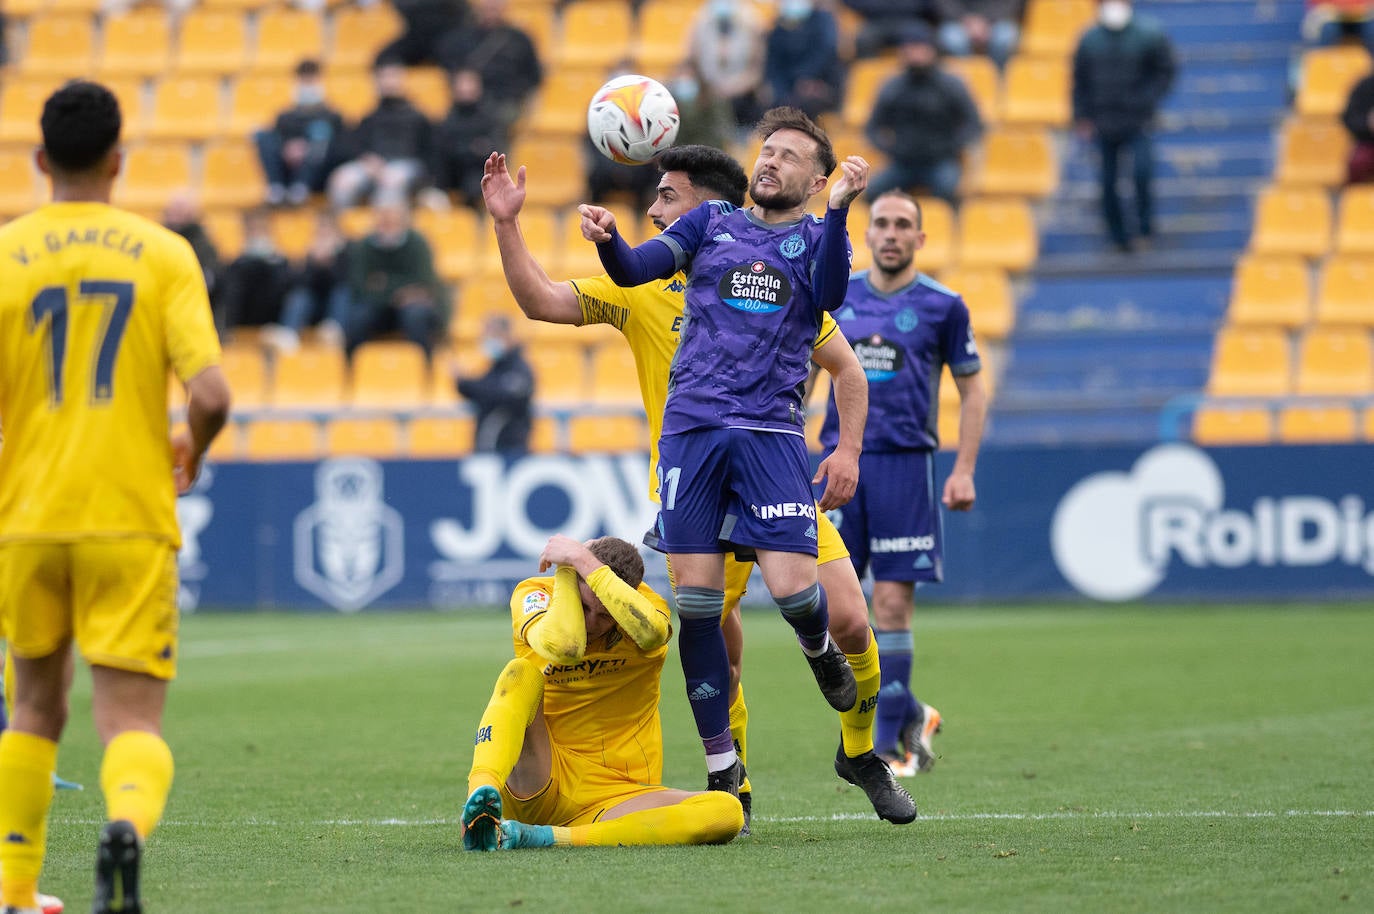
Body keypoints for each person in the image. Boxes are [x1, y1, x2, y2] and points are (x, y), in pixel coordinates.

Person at [483, 141, 916, 826]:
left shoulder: (770, 271)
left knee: (849, 618)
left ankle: (859, 753)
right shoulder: (642, 291)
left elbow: (848, 369)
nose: (655, 209)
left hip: (773, 469)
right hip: (699, 483)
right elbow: (539, 299)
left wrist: (847, 452)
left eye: (667, 196)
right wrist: (507, 222)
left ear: (709, 208)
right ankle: (733, 780)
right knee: (718, 641)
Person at [0, 80, 231, 914]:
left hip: (27, 518)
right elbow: (210, 394)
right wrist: (190, 452)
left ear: (38, 160)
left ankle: (17, 891)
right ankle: (125, 826)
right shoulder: (162, 253)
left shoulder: (4, 254)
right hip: (129, 515)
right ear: (118, 160)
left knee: (32, 704)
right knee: (129, 716)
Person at [819, 190, 986, 776]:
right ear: (867, 236)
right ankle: (911, 710)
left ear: (920, 238)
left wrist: (963, 468)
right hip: (840, 463)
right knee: (836, 616)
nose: (891, 233)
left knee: (890, 605)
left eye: (903, 225)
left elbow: (971, 390)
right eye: (882, 223)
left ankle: (890, 746)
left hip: (905, 468)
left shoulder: (944, 306)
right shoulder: (836, 296)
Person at [461, 534, 745, 850]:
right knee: (520, 673)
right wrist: (568, 569)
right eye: (583, 606)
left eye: (605, 615)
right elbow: (564, 645)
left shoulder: (646, 610)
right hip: (541, 776)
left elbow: (651, 634)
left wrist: (580, 560)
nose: (592, 623)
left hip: (617, 797)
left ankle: (545, 838)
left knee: (725, 811)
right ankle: (480, 799)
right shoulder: (536, 594)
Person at [1072, 0, 1177, 252]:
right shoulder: (1089, 39)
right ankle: (1117, 236)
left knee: (1142, 173)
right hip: (1103, 121)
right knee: (1107, 182)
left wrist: (1147, 100)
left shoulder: (1148, 34)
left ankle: (1144, 228)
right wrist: (1082, 116)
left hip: (1137, 119)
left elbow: (1165, 70)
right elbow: (1079, 82)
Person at [865, 22, 983, 204]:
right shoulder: (893, 86)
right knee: (873, 191)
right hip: (902, 162)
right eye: (909, 49)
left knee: (947, 189)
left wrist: (952, 146)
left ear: (932, 50)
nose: (914, 54)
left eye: (919, 48)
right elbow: (872, 127)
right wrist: (890, 148)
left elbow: (974, 124)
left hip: (940, 161)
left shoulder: (950, 85)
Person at [343, 199, 447, 360]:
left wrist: (384, 284)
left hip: (409, 307)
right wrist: (401, 291)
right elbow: (360, 285)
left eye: (392, 219)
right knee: (358, 318)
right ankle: (352, 369)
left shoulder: (418, 243)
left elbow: (425, 282)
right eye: (383, 218)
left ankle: (425, 366)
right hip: (377, 306)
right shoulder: (364, 246)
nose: (387, 223)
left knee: (416, 316)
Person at [327, 59, 433, 209]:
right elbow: (355, 145)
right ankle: (342, 228)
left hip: (406, 166)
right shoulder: (370, 117)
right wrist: (367, 158)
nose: (388, 82)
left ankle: (387, 230)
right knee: (343, 179)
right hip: (373, 165)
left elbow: (429, 152)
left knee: (391, 179)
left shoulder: (417, 117)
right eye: (384, 77)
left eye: (392, 76)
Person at [435, 0, 543, 127]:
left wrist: (512, 91)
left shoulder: (519, 39)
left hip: (504, 102)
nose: (492, 4)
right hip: (465, 102)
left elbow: (533, 75)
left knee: (497, 122)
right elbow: (446, 62)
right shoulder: (460, 37)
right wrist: (460, 79)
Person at [254, 59, 346, 207]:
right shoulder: (285, 116)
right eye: (304, 80)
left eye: (311, 80)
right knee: (262, 135)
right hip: (288, 171)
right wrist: (287, 148)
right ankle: (276, 188)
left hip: (319, 174)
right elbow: (277, 141)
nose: (307, 85)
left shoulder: (333, 116)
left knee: (320, 133)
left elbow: (340, 149)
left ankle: (301, 187)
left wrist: (307, 148)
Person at [265, 210, 352, 354]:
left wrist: (331, 262)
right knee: (301, 296)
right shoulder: (310, 254)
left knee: (341, 293)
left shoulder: (347, 251)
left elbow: (345, 280)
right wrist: (313, 263)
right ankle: (289, 333)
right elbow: (301, 284)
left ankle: (335, 330)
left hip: (338, 307)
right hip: (315, 306)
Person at [450, 314, 534, 453]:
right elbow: (481, 390)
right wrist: (461, 381)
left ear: (507, 335)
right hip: (488, 445)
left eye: (492, 335)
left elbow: (501, 393)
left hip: (511, 446)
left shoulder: (520, 368)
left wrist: (469, 383)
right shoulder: (495, 367)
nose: (487, 341)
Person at [427, 68, 508, 208]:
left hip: (477, 173)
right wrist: (472, 149)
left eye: (469, 84)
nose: (465, 89)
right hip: (451, 173)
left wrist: (462, 150)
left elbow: (492, 151)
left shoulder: (489, 119)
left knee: (475, 186)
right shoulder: (447, 120)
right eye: (462, 84)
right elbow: (442, 152)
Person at [688, 0, 767, 131]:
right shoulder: (700, 24)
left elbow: (757, 69)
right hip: (709, 91)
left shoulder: (751, 24)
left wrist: (736, 87)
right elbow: (692, 62)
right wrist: (709, 87)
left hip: (742, 94)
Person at [214, 207, 294, 334]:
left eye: (261, 229)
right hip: (244, 317)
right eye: (253, 230)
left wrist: (274, 261)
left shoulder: (280, 262)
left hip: (272, 318)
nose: (257, 234)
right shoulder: (236, 266)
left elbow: (285, 287)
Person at [763, 0, 845, 121]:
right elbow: (774, 66)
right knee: (772, 108)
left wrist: (806, 77)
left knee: (806, 106)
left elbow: (826, 52)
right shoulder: (779, 28)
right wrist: (782, 93)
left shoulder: (823, 20)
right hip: (790, 90)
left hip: (821, 84)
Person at [162, 189, 221, 306]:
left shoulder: (204, 245)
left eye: (180, 210)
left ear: (192, 214)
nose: (175, 214)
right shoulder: (158, 239)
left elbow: (210, 280)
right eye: (173, 209)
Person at [376, 0, 470, 67]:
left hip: (445, 38)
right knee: (385, 59)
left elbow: (462, 14)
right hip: (416, 39)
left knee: (456, 58)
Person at [935, 0, 1023, 69]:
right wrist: (966, 19)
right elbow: (944, 3)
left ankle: (998, 80)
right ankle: (964, 81)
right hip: (958, 21)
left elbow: (1009, 4)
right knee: (953, 39)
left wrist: (986, 21)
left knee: (1004, 37)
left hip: (995, 21)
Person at [841, 0, 933, 59]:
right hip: (876, 20)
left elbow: (928, 5)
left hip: (909, 19)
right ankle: (868, 76)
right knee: (864, 40)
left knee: (920, 36)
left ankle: (917, 75)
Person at [1341, 71, 1374, 184]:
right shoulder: (1365, 86)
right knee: (1358, 163)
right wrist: (1367, 124)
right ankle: (1357, 199)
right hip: (1369, 143)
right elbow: (1349, 118)